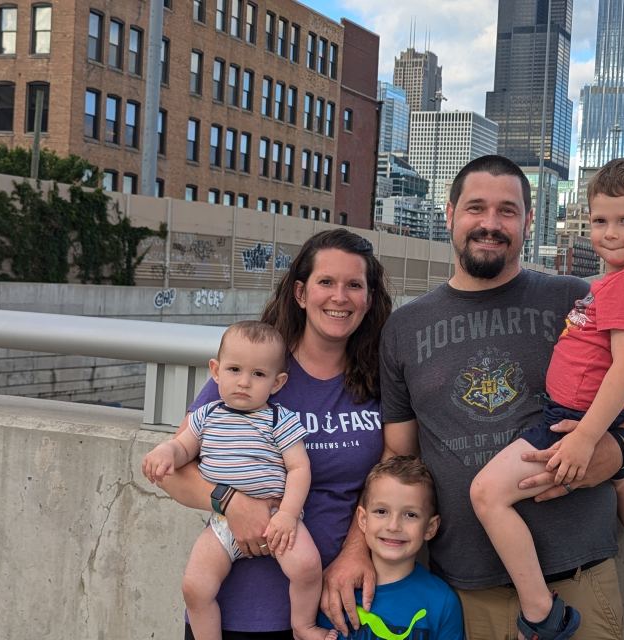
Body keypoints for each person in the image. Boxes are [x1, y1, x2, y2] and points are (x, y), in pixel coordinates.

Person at [325, 155, 624, 640]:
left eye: (507, 211)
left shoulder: (575, 298)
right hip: (464, 592)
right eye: (476, 208)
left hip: (576, 577)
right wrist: (356, 547)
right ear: (450, 214)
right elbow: (397, 456)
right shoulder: (405, 327)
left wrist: (614, 451)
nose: (490, 224)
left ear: (528, 221)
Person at [469, 157, 624, 638]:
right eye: (600, 221)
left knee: (486, 494)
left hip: (573, 419)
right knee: (622, 483)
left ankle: (541, 612)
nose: (609, 233)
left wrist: (587, 438)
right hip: (592, 416)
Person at [154, 229, 393, 639]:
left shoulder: (381, 380)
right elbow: (175, 471)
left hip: (335, 606)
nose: (339, 297)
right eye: (325, 282)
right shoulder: (253, 371)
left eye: (354, 285)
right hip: (239, 609)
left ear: (369, 299)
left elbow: (392, 473)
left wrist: (357, 549)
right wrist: (231, 502)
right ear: (300, 293)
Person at [143, 320, 337, 640]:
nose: (244, 382)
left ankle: (303, 626)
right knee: (195, 587)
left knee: (306, 567)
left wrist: (288, 515)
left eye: (258, 374)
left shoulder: (279, 419)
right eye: (234, 370)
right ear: (216, 371)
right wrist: (166, 451)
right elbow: (183, 447)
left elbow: (299, 468)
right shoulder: (207, 415)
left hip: (276, 518)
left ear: (277, 382)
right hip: (222, 522)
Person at [319, 456, 465, 639]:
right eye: (381, 511)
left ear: (430, 528)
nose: (393, 526)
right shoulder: (336, 591)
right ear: (363, 519)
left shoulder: (441, 601)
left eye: (410, 515)